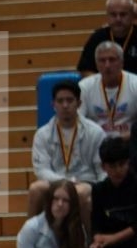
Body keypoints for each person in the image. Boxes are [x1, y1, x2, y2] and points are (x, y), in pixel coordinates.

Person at [29, 79, 106, 221]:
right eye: (60, 101)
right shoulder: (42, 134)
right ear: (53, 104)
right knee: (35, 189)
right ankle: (32, 234)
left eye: (70, 100)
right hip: (55, 181)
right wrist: (66, 182)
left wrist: (102, 190)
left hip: (86, 182)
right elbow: (41, 170)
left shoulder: (96, 132)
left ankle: (88, 235)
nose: (65, 105)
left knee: (81, 192)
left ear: (79, 103)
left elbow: (102, 169)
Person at [15, 182, 89, 248]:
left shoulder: (78, 229)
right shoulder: (31, 228)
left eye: (66, 200)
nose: (60, 204)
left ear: (72, 205)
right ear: (49, 201)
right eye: (56, 199)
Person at [90, 136, 137, 248]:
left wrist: (114, 238)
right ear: (103, 166)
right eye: (112, 166)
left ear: (128, 162)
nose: (118, 170)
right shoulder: (98, 190)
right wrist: (97, 241)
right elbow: (96, 223)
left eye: (122, 164)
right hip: (110, 245)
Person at [79, 41, 137, 140]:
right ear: (96, 64)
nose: (107, 65)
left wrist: (124, 138)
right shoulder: (84, 87)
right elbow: (77, 123)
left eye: (112, 60)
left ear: (122, 62)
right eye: (102, 60)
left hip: (130, 142)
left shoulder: (135, 84)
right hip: (96, 143)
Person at [77, 0, 137, 77]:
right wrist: (102, 83)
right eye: (113, 15)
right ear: (107, 16)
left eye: (123, 14)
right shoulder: (98, 37)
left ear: (132, 16)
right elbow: (85, 70)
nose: (118, 19)